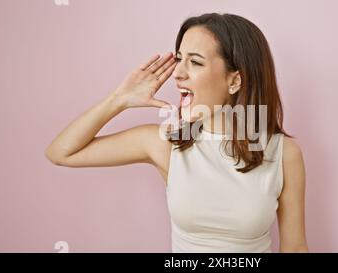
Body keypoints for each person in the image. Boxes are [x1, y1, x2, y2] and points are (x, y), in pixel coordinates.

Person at [45, 13, 308, 253]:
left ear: (234, 80)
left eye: (194, 62)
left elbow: (294, 248)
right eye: (179, 59)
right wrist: (120, 99)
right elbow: (61, 153)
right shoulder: (166, 144)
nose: (178, 73)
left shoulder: (283, 154)